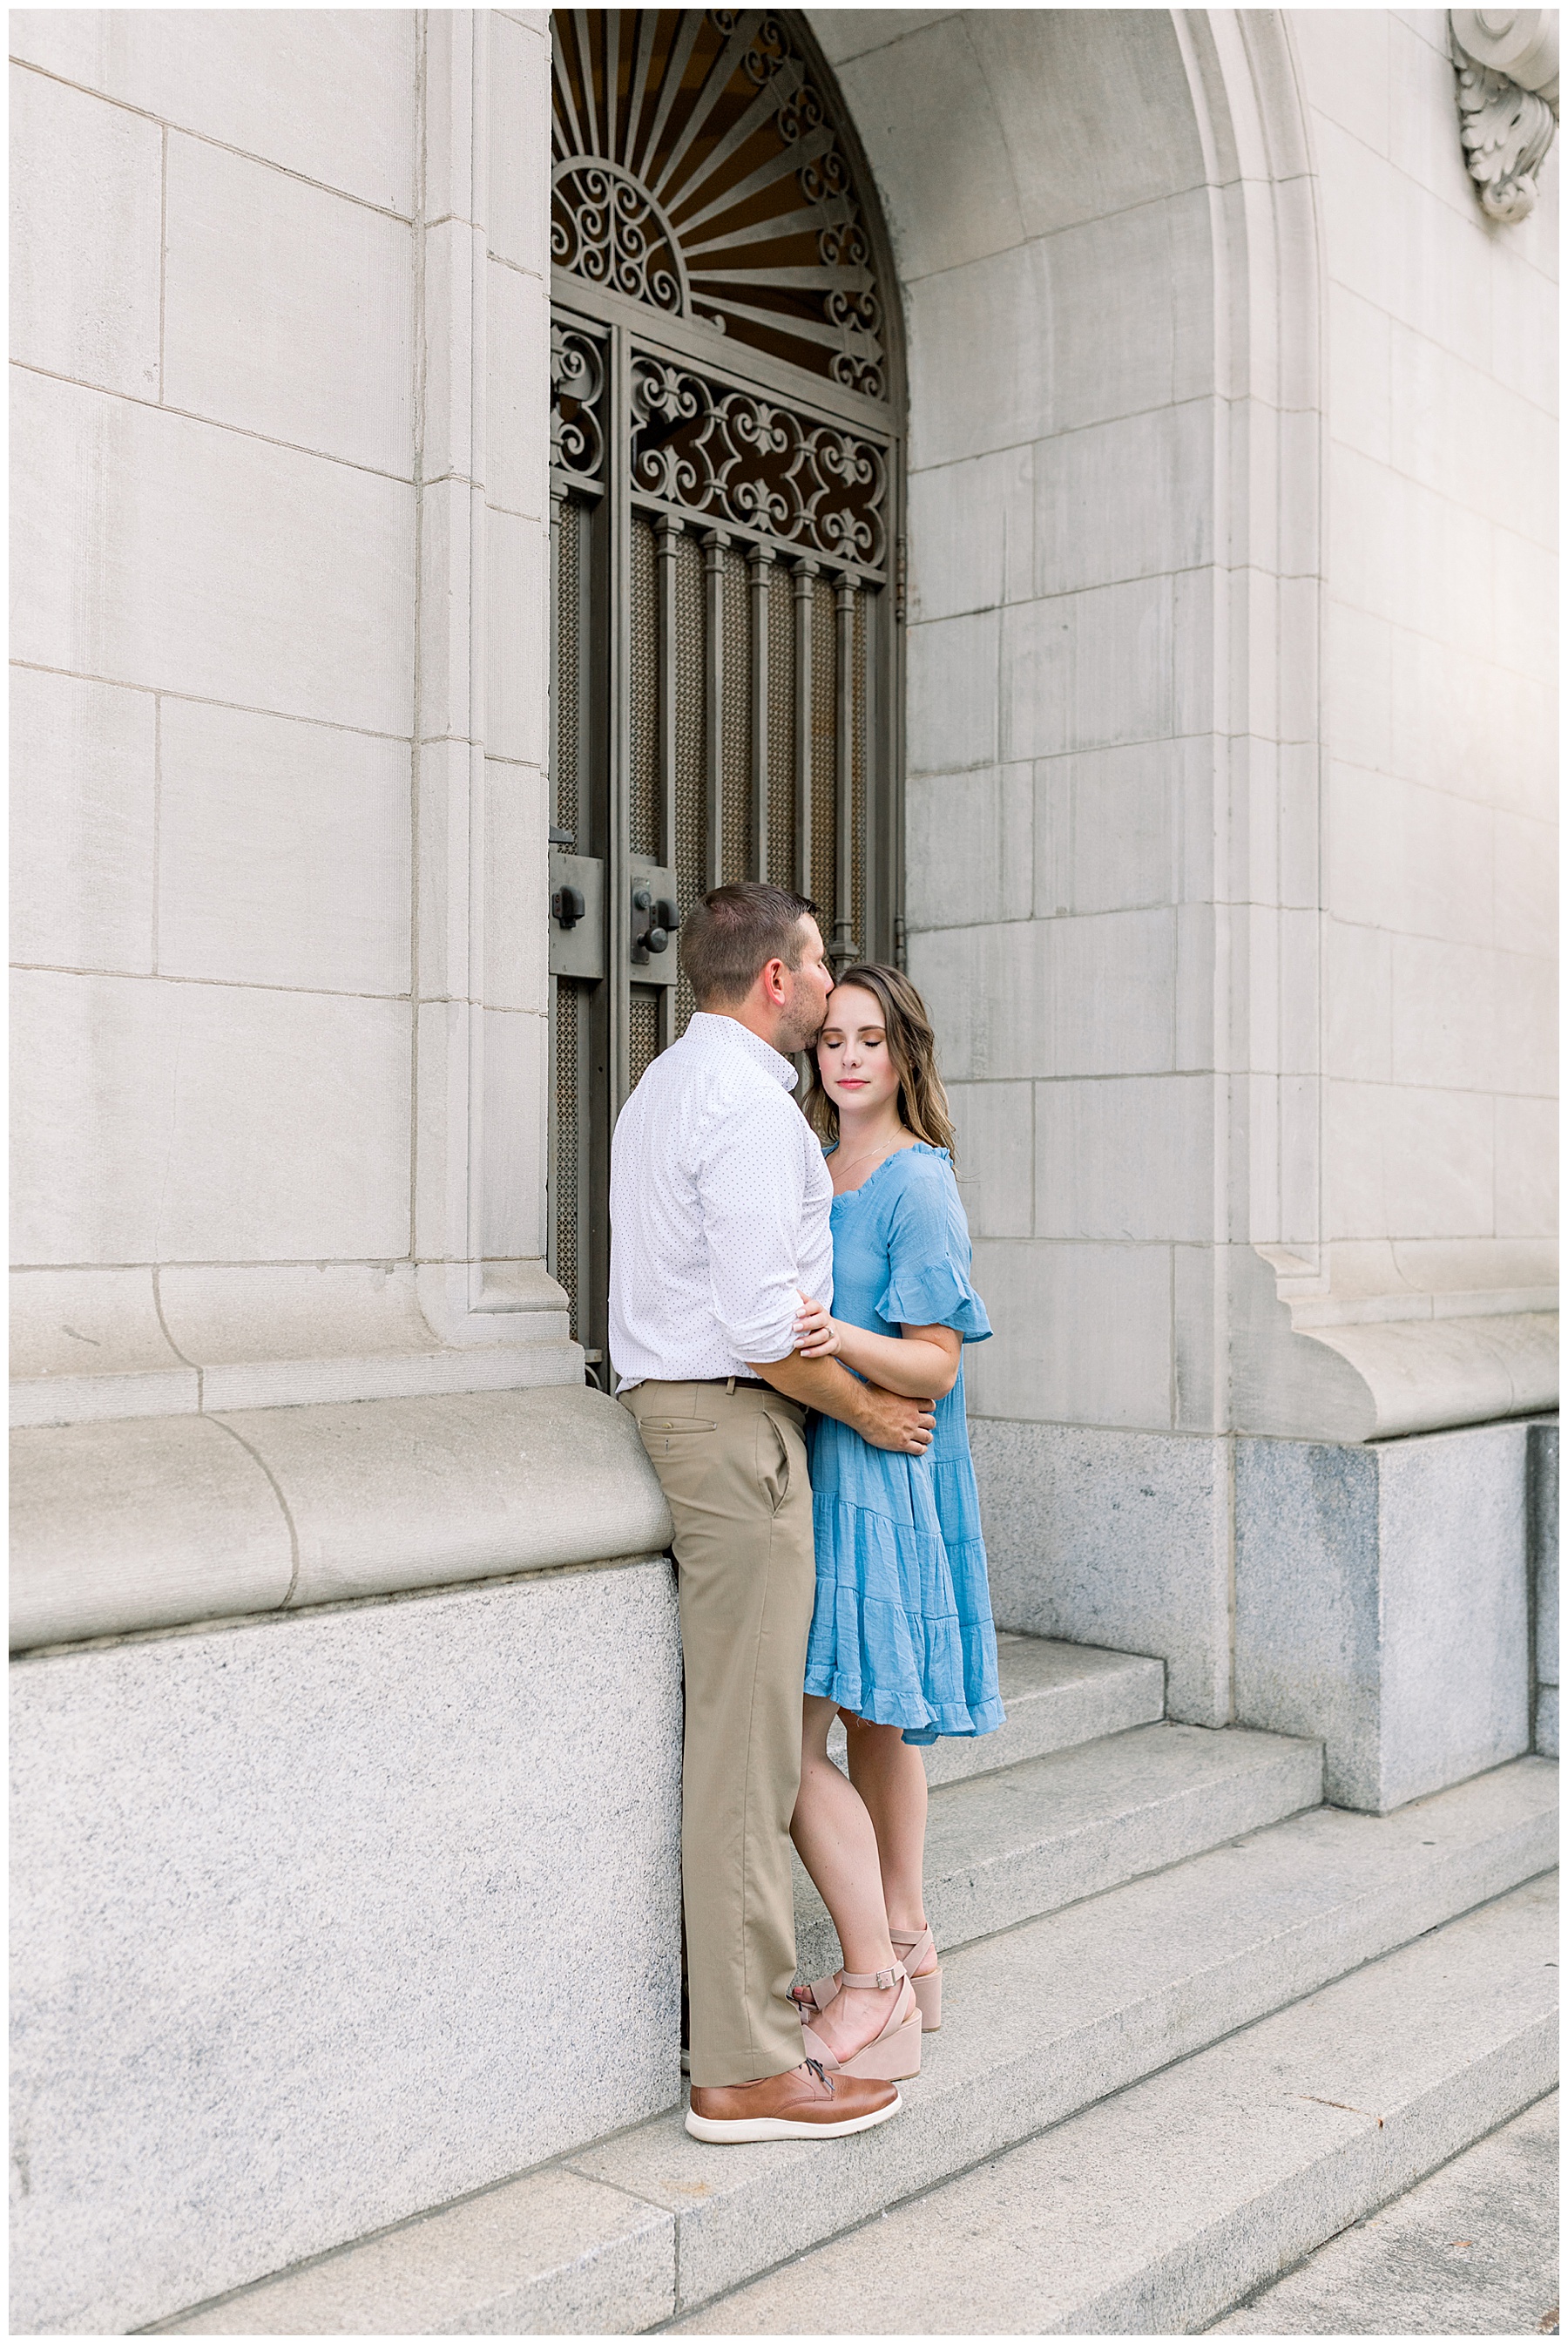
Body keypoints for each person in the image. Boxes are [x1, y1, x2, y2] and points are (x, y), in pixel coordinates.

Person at [609, 884, 937, 2145]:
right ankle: (745, 2065)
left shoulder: (662, 1087)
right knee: (751, 1757)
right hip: (733, 1427)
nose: (820, 989)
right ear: (776, 985)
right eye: (812, 970)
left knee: (753, 1746)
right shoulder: (747, 1108)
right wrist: (863, 1410)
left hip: (694, 1417)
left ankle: (755, 2026)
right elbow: (762, 1327)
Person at [786, 964, 1004, 2073]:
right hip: (821, 1455)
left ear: (906, 1052)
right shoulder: (814, 1167)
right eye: (833, 1039)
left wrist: (835, 1338)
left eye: (872, 1038)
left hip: (880, 1466)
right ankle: (907, 1950)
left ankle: (888, 1962)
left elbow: (937, 1360)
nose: (851, 1057)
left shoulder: (920, 1183)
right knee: (861, 1720)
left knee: (826, 1726)